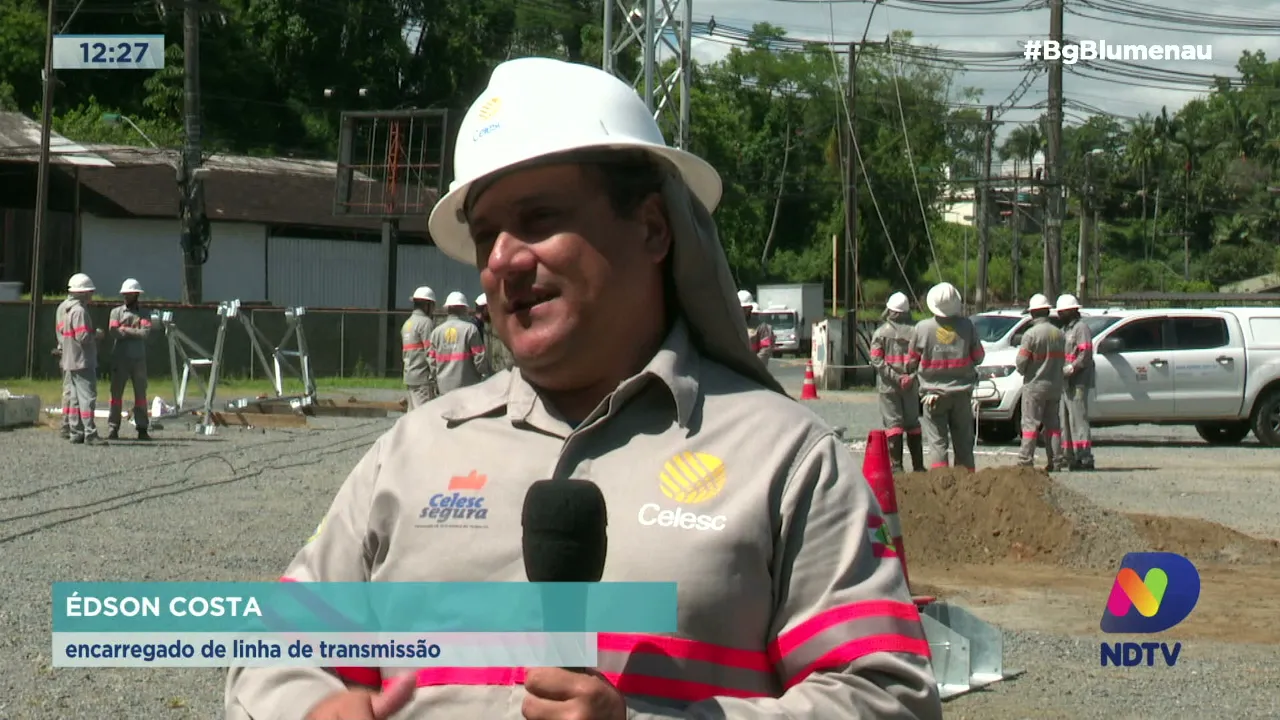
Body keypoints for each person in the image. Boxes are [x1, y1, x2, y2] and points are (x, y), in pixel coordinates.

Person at [225, 57, 940, 720]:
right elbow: (273, 655)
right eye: (486, 235)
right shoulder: (413, 451)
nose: (503, 260)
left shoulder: (784, 459)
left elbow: (888, 697)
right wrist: (310, 709)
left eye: (539, 219)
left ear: (652, 228)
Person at [906, 282, 983, 470]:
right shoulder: (967, 326)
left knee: (938, 443)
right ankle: (967, 482)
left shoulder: (922, 328)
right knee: (964, 444)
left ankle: (941, 482)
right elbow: (979, 357)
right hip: (961, 394)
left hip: (933, 396)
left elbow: (911, 362)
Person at [870, 292, 923, 473]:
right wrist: (911, 377)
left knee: (893, 425)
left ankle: (897, 467)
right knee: (913, 423)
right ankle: (918, 467)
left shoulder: (880, 333)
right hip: (911, 385)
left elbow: (876, 360)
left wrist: (895, 377)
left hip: (888, 386)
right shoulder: (917, 332)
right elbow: (924, 359)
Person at [1014, 294, 1065, 469]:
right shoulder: (1059, 333)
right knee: (1053, 425)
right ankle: (1056, 460)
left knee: (1030, 424)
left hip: (1035, 385)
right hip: (1055, 385)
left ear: (1033, 313)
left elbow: (1021, 362)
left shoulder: (1031, 334)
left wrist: (1024, 370)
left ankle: (1025, 460)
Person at [60, 273, 106, 445]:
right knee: (87, 397)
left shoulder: (67, 309)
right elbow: (83, 336)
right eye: (89, 291)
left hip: (71, 360)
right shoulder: (79, 311)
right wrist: (97, 335)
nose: (91, 294)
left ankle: (76, 432)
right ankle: (90, 433)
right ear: (83, 292)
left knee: (75, 399)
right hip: (82, 360)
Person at [106, 278, 152, 441]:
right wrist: (133, 331)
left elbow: (145, 333)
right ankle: (113, 428)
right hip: (120, 359)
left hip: (138, 360)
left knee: (140, 396)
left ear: (136, 295)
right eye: (124, 294)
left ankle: (142, 428)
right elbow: (113, 331)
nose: (126, 297)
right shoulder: (116, 312)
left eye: (129, 294)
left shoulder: (144, 313)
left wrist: (124, 329)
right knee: (116, 395)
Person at [1057, 293, 1096, 470]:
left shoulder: (1081, 328)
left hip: (1078, 380)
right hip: (1065, 381)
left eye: (1062, 312)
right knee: (1065, 420)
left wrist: (1072, 368)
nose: (1059, 315)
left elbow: (1085, 353)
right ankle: (1069, 455)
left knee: (1078, 418)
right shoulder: (1065, 330)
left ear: (1071, 311)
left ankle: (1084, 456)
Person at [427, 291, 486, 395]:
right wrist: (485, 376)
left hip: (444, 388)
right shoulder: (470, 329)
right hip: (467, 388)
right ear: (464, 308)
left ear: (448, 309)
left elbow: (432, 361)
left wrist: (435, 381)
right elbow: (480, 360)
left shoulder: (436, 332)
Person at [401, 286, 436, 409]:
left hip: (409, 377)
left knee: (412, 414)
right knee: (424, 415)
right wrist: (436, 375)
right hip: (422, 379)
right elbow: (431, 353)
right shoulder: (425, 323)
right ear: (427, 305)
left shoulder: (407, 323)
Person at [53, 293, 76, 439]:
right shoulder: (67, 307)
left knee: (73, 390)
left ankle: (72, 423)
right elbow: (65, 331)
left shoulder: (69, 306)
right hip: (69, 353)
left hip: (73, 353)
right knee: (69, 389)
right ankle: (66, 424)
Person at [475, 293, 514, 375]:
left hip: (505, 371)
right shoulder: (486, 324)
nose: (480, 313)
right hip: (492, 370)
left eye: (482, 309)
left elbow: (506, 354)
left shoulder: (502, 323)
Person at [738, 290, 774, 366]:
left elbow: (765, 348)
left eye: (745, 308)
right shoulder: (732, 323)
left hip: (752, 366)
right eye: (740, 307)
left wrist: (755, 364)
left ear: (750, 308)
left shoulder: (761, 326)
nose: (742, 310)